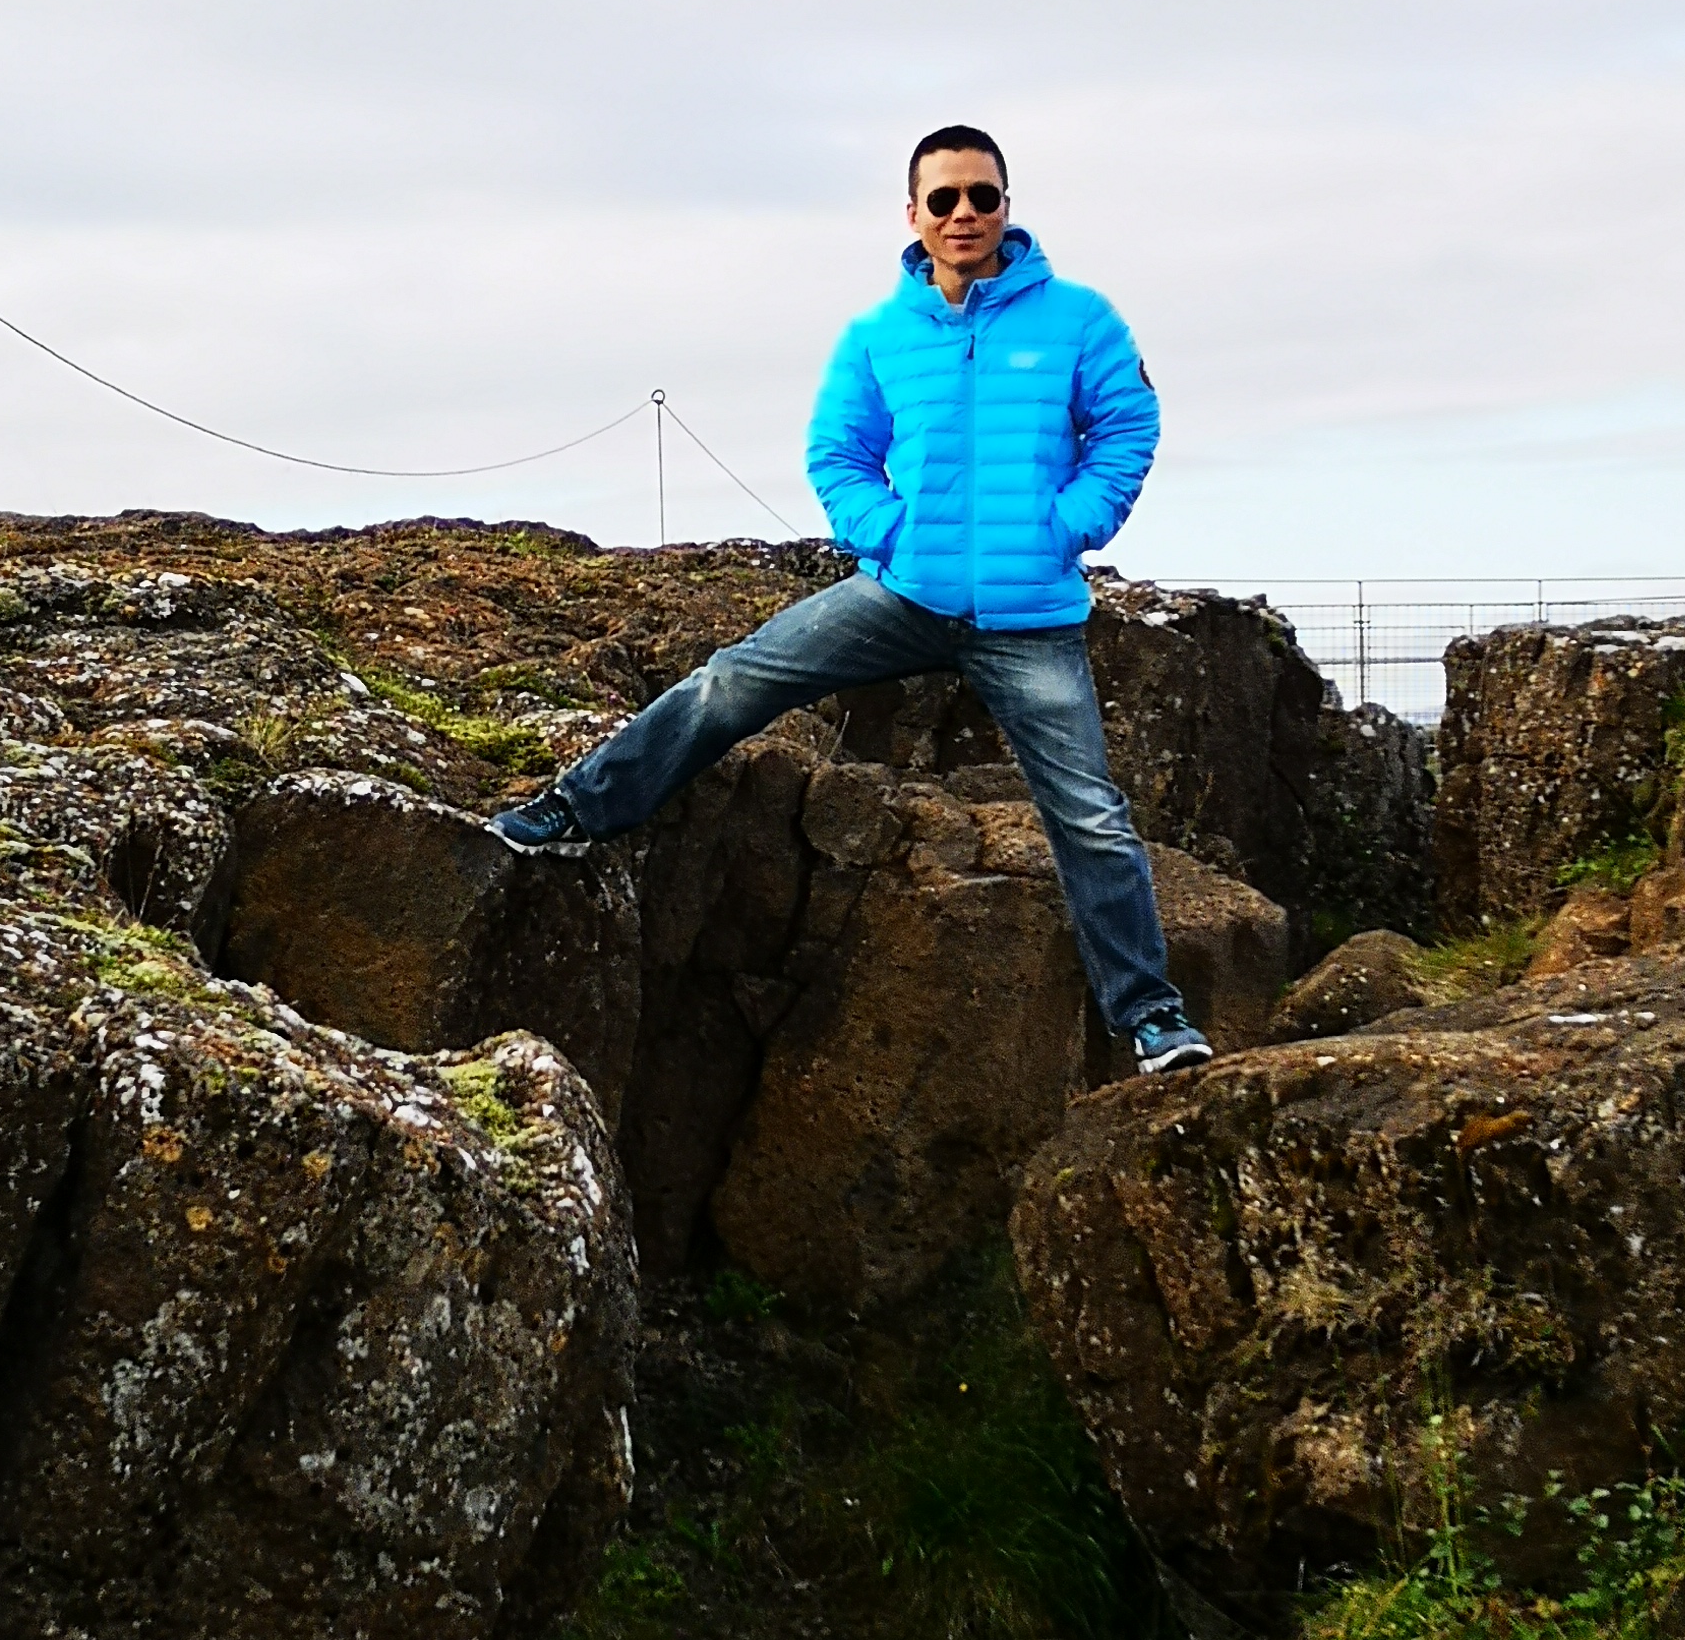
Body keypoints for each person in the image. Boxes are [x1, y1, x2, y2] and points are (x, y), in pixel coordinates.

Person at [489, 127, 1212, 1074]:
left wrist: (1068, 523)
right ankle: (578, 810)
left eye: (982, 196)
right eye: (944, 199)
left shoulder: (1080, 320)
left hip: (1030, 615)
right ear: (913, 213)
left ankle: (1151, 1017)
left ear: (1007, 207)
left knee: (1090, 815)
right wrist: (887, 533)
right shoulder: (878, 335)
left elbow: (1126, 426)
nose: (964, 214)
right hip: (902, 593)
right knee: (731, 682)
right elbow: (837, 452)